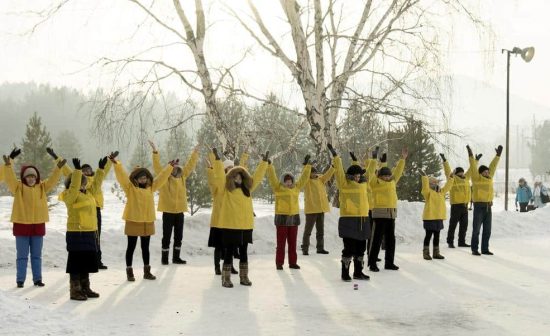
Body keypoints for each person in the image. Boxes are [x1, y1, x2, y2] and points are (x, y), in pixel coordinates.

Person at [2, 147, 66, 288]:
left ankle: (37, 279)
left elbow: (53, 180)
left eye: (33, 176)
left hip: (38, 225)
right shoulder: (18, 188)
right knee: (22, 256)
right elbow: (9, 178)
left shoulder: (42, 187)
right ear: (24, 177)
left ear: (36, 177)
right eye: (28, 176)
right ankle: (20, 280)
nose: (31, 179)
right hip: (21, 225)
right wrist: (8, 165)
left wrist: (58, 168)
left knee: (36, 256)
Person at [209, 148, 268, 288]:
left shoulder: (247, 190)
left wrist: (264, 163)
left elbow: (258, 178)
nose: (239, 179)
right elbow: (219, 175)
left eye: (241, 177)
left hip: (245, 226)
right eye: (236, 177)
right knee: (229, 252)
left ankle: (244, 276)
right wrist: (217, 160)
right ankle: (226, 278)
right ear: (231, 178)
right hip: (230, 226)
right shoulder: (226, 189)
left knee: (244, 252)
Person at [111, 152, 174, 281]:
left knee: (145, 248)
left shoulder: (151, 188)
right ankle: (129, 271)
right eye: (140, 178)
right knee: (131, 247)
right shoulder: (130, 188)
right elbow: (122, 176)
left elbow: (161, 178)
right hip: (133, 221)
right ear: (135, 179)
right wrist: (116, 163)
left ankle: (147, 272)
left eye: (145, 178)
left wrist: (169, 167)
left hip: (147, 222)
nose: (143, 180)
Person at [51, 148, 113, 270]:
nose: (86, 171)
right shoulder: (74, 188)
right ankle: (85, 266)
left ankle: (97, 260)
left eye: (88, 169)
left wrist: (108, 162)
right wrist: (56, 158)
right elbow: (67, 170)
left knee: (96, 237)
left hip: (95, 209)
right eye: (84, 170)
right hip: (80, 215)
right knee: (84, 242)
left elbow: (102, 174)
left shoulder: (92, 185)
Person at [61, 157, 107, 300]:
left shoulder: (88, 194)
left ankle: (85, 287)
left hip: (89, 232)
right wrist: (77, 171)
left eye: (83, 183)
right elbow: (74, 187)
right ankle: (75, 290)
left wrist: (100, 170)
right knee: (76, 261)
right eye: (80, 183)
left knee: (86, 261)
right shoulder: (70, 195)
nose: (82, 186)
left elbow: (96, 184)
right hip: (76, 232)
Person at [328, 144, 374, 281]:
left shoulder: (364, 184)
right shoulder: (344, 183)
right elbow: (339, 172)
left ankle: (358, 272)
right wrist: (336, 157)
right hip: (348, 220)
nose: (357, 178)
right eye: (355, 176)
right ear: (349, 176)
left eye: (359, 176)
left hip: (363, 219)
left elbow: (370, 171)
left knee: (361, 249)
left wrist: (374, 159)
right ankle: (345, 273)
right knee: (349, 249)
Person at [149, 141, 199, 265]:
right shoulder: (164, 178)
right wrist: (155, 151)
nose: (175, 168)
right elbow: (157, 167)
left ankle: (176, 258)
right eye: (173, 167)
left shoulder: (183, 176)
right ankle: (164, 258)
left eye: (177, 167)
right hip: (168, 212)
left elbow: (190, 165)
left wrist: (195, 152)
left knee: (179, 236)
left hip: (180, 212)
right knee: (166, 236)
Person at [267, 155, 311, 270]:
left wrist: (307, 166)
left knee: (293, 244)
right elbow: (272, 177)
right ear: (283, 181)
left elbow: (304, 178)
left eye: (290, 181)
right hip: (281, 220)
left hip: (293, 220)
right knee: (281, 244)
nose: (288, 183)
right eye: (286, 181)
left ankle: (292, 263)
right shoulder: (278, 188)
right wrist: (269, 165)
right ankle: (279, 263)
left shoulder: (296, 188)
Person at [207, 152, 247, 275]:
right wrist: (210, 168)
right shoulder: (219, 183)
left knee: (231, 246)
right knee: (219, 246)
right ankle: (217, 267)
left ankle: (230, 266)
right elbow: (213, 180)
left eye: (231, 168)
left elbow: (243, 173)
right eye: (228, 168)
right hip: (219, 219)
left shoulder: (234, 184)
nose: (230, 170)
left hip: (230, 219)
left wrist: (244, 157)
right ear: (223, 169)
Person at [367, 148, 407, 272]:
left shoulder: (392, 182)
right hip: (379, 214)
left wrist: (402, 159)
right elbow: (370, 174)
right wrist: (374, 160)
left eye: (388, 175)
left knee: (391, 240)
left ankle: (389, 263)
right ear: (379, 176)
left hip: (391, 214)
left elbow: (398, 171)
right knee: (376, 240)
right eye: (384, 175)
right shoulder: (375, 183)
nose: (387, 177)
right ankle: (372, 263)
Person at [468, 144, 502, 256]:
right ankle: (474, 249)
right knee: (476, 230)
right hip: (478, 206)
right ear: (481, 173)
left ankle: (485, 249)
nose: (488, 172)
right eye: (485, 172)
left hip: (488, 206)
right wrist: (471, 155)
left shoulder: (490, 178)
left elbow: (493, 166)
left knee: (487, 230)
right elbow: (473, 167)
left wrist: (498, 155)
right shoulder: (476, 178)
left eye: (488, 172)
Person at [441, 153, 477, 248]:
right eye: (460, 172)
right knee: (453, 225)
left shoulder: (466, 178)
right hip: (456, 206)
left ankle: (461, 242)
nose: (462, 173)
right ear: (456, 173)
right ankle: (450, 242)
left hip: (465, 206)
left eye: (462, 172)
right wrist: (445, 161)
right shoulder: (453, 179)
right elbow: (447, 171)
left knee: (464, 226)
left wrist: (475, 160)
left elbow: (471, 169)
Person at [300, 163, 334, 256]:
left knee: (320, 230)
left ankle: (320, 248)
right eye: (312, 173)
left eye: (315, 173)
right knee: (308, 231)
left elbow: (328, 175)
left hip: (321, 209)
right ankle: (305, 248)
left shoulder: (320, 179)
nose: (314, 174)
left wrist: (333, 167)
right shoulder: (306, 181)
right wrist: (306, 166)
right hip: (311, 209)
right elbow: (303, 175)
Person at [420, 172, 454, 260]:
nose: (434, 184)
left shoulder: (441, 192)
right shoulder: (427, 192)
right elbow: (424, 187)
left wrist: (450, 177)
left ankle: (436, 253)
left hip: (438, 217)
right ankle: (426, 253)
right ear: (429, 183)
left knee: (437, 235)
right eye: (432, 182)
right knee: (428, 235)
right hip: (429, 217)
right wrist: (424, 177)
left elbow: (448, 186)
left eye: (435, 182)